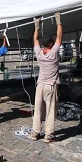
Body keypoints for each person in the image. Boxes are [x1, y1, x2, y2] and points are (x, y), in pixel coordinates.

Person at [30, 12, 63, 143]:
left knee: (38, 109)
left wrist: (37, 26)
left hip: (40, 85)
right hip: (50, 85)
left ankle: (35, 132)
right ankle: (49, 135)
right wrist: (58, 20)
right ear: (51, 44)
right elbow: (60, 35)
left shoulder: (39, 53)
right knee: (50, 110)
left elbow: (35, 40)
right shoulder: (53, 53)